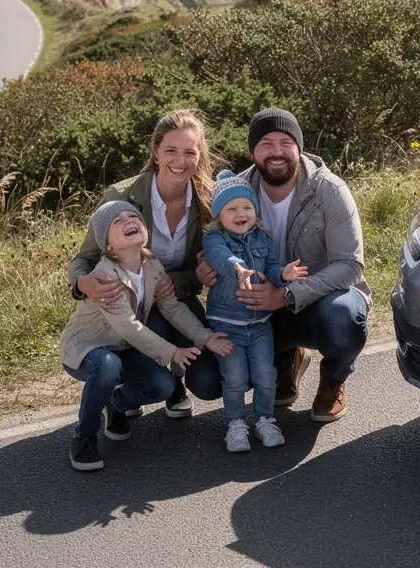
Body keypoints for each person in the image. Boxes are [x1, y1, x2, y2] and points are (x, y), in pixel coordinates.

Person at [196, 107, 370, 422]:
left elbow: (350, 265)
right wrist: (206, 269)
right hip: (259, 311)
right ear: (252, 151)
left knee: (343, 320)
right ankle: (286, 362)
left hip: (321, 303)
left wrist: (287, 295)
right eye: (266, 143)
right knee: (207, 379)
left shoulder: (329, 190)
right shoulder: (235, 192)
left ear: (298, 147)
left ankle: (334, 378)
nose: (276, 151)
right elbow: (216, 244)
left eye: (285, 142)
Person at [60, 201, 233, 472]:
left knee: (161, 386)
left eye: (133, 217)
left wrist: (205, 337)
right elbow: (129, 326)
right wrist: (173, 353)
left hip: (124, 347)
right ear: (106, 244)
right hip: (88, 349)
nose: (129, 221)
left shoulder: (151, 265)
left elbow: (173, 308)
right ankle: (84, 437)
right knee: (107, 366)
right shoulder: (105, 276)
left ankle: (116, 403)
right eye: (118, 222)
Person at [69, 109, 221, 415]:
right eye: (170, 151)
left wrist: (200, 276)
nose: (180, 161)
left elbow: (200, 269)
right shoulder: (121, 196)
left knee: (209, 382)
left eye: (189, 152)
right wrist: (81, 283)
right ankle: (124, 396)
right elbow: (84, 259)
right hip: (129, 301)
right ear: (155, 153)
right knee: (150, 333)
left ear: (199, 156)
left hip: (177, 298)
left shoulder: (209, 201)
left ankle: (174, 379)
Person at [202, 171, 308, 452]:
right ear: (219, 215)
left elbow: (271, 267)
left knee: (265, 374)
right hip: (227, 324)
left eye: (247, 207)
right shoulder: (214, 238)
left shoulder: (263, 237)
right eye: (232, 208)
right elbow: (219, 258)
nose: (241, 213)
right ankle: (236, 425)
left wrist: (283, 274)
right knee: (234, 378)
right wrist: (237, 267)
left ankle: (265, 420)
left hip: (260, 324)